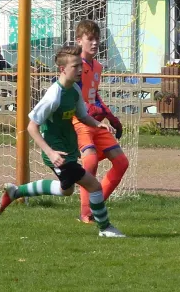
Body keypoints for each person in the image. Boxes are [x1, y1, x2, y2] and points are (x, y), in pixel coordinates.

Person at [0, 45, 126, 238]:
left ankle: (15, 192)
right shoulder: (53, 96)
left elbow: (82, 115)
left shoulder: (73, 89)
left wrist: (98, 125)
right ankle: (105, 228)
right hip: (58, 154)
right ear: (62, 69)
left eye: (81, 66)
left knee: (66, 191)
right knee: (94, 186)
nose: (80, 70)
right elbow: (32, 127)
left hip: (68, 148)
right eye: (75, 66)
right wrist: (50, 153)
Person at [73, 20, 129, 224]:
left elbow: (94, 96)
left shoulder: (97, 66)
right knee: (90, 161)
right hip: (78, 120)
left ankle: (94, 208)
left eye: (97, 39)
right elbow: (71, 95)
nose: (95, 43)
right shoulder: (73, 65)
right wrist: (89, 110)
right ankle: (85, 212)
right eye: (90, 39)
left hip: (95, 122)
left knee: (122, 163)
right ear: (79, 41)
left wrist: (111, 117)